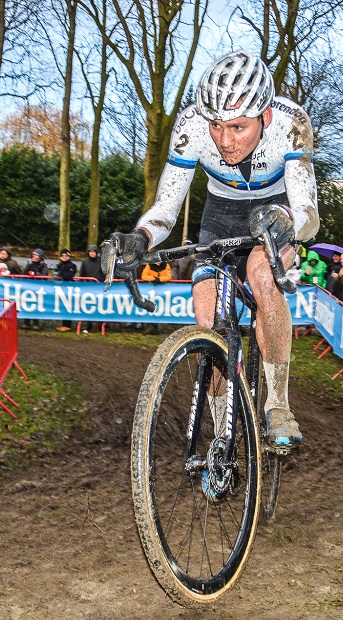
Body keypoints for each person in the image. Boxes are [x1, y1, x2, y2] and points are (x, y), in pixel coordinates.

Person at [104, 50, 319, 450]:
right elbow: (166, 207)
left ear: (265, 117)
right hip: (220, 214)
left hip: (276, 210)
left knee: (262, 276)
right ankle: (222, 433)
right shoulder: (191, 126)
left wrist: (286, 217)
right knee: (206, 313)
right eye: (217, 126)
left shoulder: (292, 123)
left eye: (238, 127)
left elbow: (309, 213)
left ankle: (277, 404)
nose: (224, 140)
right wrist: (141, 236)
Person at [54, 248, 77, 332]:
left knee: (67, 306)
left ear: (69, 256)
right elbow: (55, 275)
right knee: (62, 306)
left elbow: (68, 276)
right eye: (62, 255)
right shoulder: (59, 265)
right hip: (60, 288)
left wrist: (60, 272)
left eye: (66, 256)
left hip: (68, 289)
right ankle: (63, 324)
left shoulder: (72, 266)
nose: (64, 257)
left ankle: (67, 325)